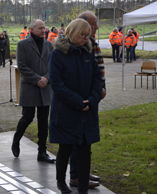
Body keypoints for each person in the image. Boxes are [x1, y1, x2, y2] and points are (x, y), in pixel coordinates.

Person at [49, 18, 102, 194]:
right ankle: (61, 183)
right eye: (82, 35)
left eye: (88, 35)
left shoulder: (87, 53)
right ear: (72, 33)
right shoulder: (57, 55)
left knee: (85, 150)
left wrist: (92, 99)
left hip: (87, 111)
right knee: (65, 148)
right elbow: (57, 84)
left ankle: (84, 188)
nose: (85, 38)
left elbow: (97, 79)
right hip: (66, 110)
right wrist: (78, 102)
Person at [69, 11, 106, 189]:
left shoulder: (91, 41)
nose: (97, 27)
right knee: (79, 138)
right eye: (93, 23)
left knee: (87, 138)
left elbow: (98, 71)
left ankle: (83, 171)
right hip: (82, 98)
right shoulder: (82, 44)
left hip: (92, 95)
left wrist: (100, 88)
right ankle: (76, 175)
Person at [11, 19, 55, 163]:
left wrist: (47, 79)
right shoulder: (22, 44)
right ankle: (16, 139)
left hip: (45, 88)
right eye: (40, 28)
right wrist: (37, 79)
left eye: (44, 28)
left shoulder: (49, 45)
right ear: (32, 29)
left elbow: (53, 65)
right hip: (30, 86)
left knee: (43, 122)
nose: (43, 30)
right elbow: (22, 66)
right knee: (27, 117)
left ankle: (42, 152)